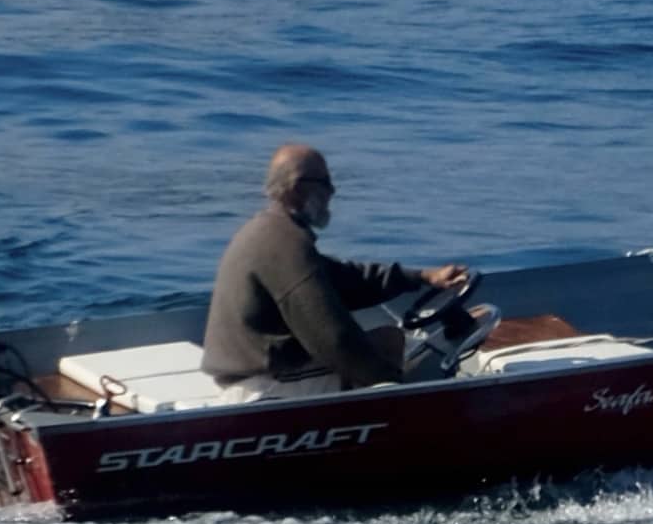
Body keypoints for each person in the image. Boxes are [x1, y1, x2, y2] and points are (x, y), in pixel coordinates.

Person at [202, 141, 475, 385]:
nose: (332, 190)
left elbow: (347, 280)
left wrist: (424, 277)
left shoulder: (268, 231)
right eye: (324, 182)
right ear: (297, 188)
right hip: (267, 383)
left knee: (385, 348)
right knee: (387, 343)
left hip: (246, 371)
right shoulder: (286, 246)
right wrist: (391, 387)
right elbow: (333, 338)